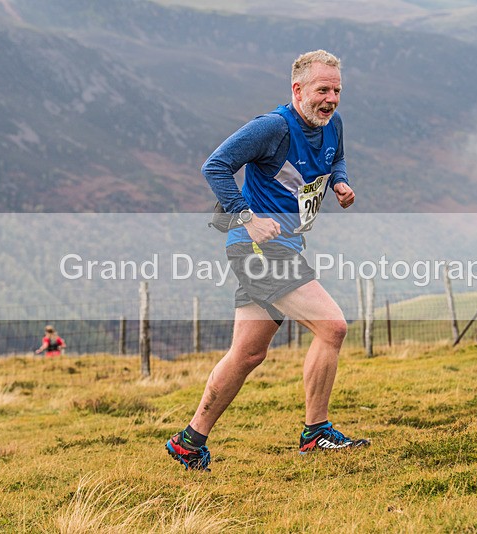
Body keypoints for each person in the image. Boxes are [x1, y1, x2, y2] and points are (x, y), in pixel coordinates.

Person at [166, 50, 369, 472]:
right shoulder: (273, 127)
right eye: (321, 90)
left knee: (247, 354)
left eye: (336, 90)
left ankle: (190, 441)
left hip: (287, 246)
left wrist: (342, 183)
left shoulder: (333, 124)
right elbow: (215, 166)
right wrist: (247, 218)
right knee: (332, 328)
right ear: (297, 90)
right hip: (257, 248)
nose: (330, 99)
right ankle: (316, 433)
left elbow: (337, 158)